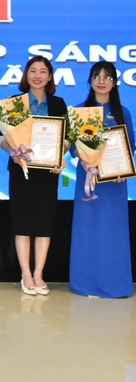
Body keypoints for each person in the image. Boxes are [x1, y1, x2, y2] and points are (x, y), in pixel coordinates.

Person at [0, 56, 66, 296]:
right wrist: (12, 153)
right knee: (23, 222)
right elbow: (1, 137)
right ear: (26, 75)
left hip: (48, 172)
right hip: (21, 170)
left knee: (44, 224)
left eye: (43, 71)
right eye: (33, 71)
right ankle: (26, 274)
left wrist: (59, 156)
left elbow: (65, 138)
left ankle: (39, 274)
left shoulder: (58, 103)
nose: (37, 75)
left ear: (50, 77)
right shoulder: (14, 103)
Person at [70, 62, 134, 298]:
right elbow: (72, 146)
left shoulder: (122, 112)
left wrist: (121, 168)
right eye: (97, 76)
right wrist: (83, 157)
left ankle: (116, 284)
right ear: (90, 81)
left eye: (107, 77)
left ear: (114, 82)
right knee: (87, 231)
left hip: (114, 183)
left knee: (113, 233)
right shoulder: (80, 111)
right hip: (88, 179)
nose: (101, 81)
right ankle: (84, 284)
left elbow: (130, 146)